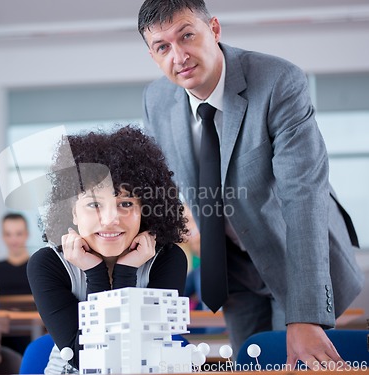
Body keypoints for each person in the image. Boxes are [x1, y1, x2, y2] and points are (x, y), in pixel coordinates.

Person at [137, 0, 364, 368]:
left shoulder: (277, 81)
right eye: (163, 47)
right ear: (152, 56)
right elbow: (155, 189)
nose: (178, 56)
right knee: (251, 364)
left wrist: (305, 315)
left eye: (187, 36)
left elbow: (303, 197)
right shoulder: (156, 100)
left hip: (294, 254)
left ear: (214, 29)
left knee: (294, 360)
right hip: (230, 266)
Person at [27, 126, 188, 374]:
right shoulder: (48, 264)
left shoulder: (167, 258)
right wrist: (95, 272)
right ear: (73, 211)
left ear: (144, 209)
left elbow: (146, 350)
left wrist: (125, 270)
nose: (110, 219)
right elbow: (87, 359)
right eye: (94, 204)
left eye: (125, 203)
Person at [0, 213, 32, 295]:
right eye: (8, 234)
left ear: (27, 235)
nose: (14, 240)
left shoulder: (40, 269)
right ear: (2, 236)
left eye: (19, 234)